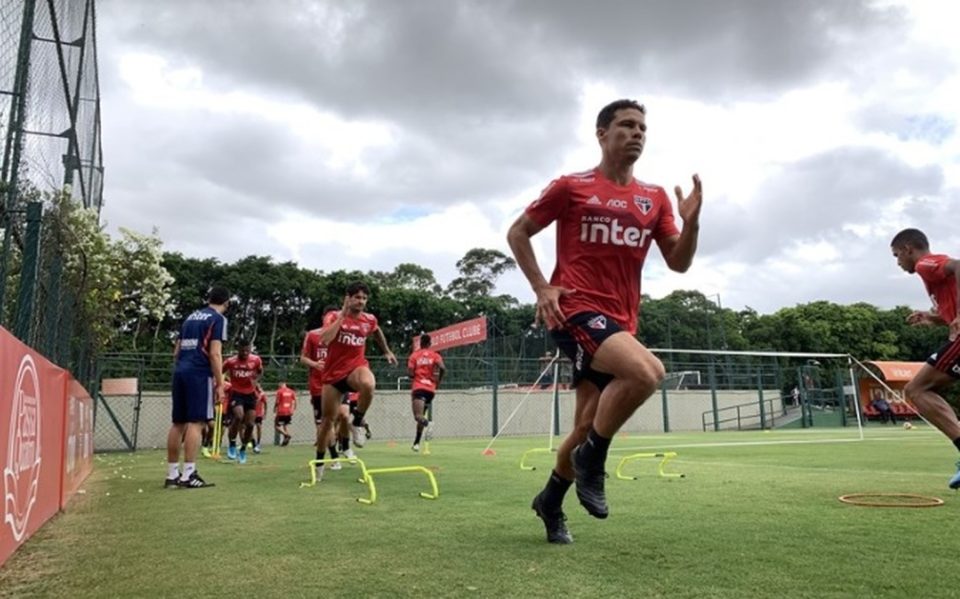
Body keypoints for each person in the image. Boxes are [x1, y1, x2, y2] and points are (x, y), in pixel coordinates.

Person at [506, 99, 702, 544]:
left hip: (619, 322)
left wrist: (691, 224)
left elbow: (679, 263)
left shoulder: (652, 199)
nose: (637, 134)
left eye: (643, 128)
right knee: (648, 372)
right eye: (627, 126)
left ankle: (551, 501)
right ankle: (595, 460)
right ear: (601, 133)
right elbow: (518, 232)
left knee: (582, 428)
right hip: (575, 310)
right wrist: (541, 286)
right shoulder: (571, 187)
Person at [891, 228, 960, 488]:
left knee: (917, 389)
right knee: (920, 389)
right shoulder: (934, 279)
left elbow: (958, 265)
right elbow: (949, 315)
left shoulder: (924, 264)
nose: (898, 262)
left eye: (897, 255)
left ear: (909, 249)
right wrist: (931, 317)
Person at [317, 282, 397, 462]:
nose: (361, 301)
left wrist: (386, 350)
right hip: (333, 375)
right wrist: (342, 316)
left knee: (368, 383)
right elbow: (324, 340)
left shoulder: (369, 319)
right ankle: (320, 462)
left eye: (364, 298)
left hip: (355, 368)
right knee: (328, 421)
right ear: (348, 298)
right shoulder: (333, 316)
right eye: (357, 297)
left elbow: (377, 332)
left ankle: (358, 420)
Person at [165, 286, 230, 489]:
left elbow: (176, 351)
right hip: (199, 373)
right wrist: (220, 383)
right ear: (226, 303)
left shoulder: (190, 317)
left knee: (178, 423)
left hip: (181, 371)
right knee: (197, 422)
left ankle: (172, 474)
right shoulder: (217, 319)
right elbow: (215, 353)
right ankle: (189, 474)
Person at [223, 339, 264, 464]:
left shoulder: (256, 360)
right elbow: (220, 371)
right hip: (236, 393)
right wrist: (220, 385)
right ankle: (232, 443)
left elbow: (260, 371)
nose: (245, 353)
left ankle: (243, 449)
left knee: (251, 424)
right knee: (239, 416)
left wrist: (255, 381)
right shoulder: (231, 361)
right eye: (243, 351)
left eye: (248, 350)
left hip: (250, 394)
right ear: (238, 350)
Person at [407, 333, 446, 452]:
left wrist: (413, 375)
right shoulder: (435, 355)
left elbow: (410, 372)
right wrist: (438, 381)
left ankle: (429, 424)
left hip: (419, 387)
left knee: (417, 417)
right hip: (431, 389)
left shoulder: (414, 355)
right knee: (421, 416)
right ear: (430, 344)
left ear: (420, 343)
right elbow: (443, 368)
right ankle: (417, 443)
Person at [274, 382, 297, 446]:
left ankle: (287, 435)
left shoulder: (279, 391)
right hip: (289, 411)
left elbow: (277, 402)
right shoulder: (291, 391)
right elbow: (295, 401)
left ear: (281, 385)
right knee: (285, 426)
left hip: (281, 411)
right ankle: (285, 442)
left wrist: (274, 408)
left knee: (276, 426)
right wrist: (293, 409)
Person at [252, 385, 268, 453]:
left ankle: (258, 443)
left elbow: (265, 403)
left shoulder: (262, 394)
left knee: (259, 427)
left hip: (258, 414)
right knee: (249, 428)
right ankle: (254, 443)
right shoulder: (251, 392)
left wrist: (265, 413)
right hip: (251, 413)